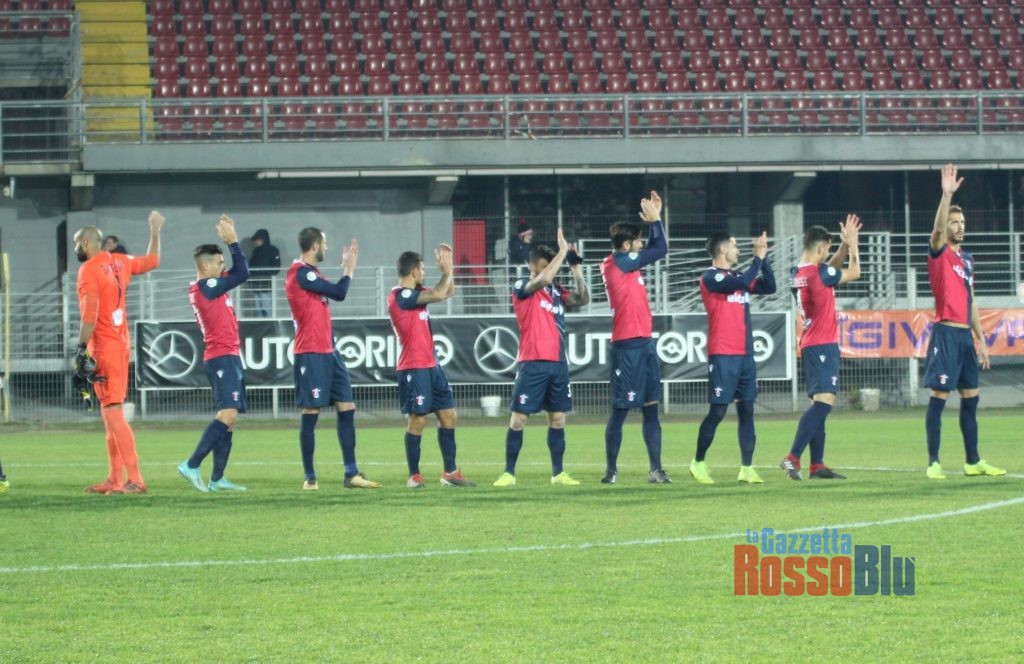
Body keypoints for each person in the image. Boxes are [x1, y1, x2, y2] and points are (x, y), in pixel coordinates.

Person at [923, 164, 1005, 479]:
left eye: (962, 222)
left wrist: (981, 339)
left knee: (971, 398)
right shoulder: (939, 252)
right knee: (940, 397)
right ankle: (933, 462)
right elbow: (935, 232)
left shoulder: (967, 260)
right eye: (955, 222)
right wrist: (946, 197)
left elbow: (970, 301)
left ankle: (973, 461)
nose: (960, 226)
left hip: (964, 339)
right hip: (945, 334)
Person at [74, 212, 164, 494]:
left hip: (103, 347)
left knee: (113, 414)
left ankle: (135, 479)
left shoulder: (88, 269)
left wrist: (80, 348)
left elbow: (90, 314)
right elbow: (152, 261)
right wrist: (155, 231)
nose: (76, 248)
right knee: (109, 416)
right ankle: (114, 479)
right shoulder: (120, 261)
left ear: (86, 243)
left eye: (77, 243)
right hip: (120, 344)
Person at [494, 228, 590, 487]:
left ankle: (558, 473)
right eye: (546, 266)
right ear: (533, 266)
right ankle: (508, 473)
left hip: (558, 364)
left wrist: (576, 269)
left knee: (558, 419)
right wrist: (562, 251)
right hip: (532, 362)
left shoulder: (557, 292)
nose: (551, 271)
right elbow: (544, 278)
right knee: (519, 419)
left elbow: (583, 298)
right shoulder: (522, 287)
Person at [285, 227, 379, 491]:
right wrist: (348, 271)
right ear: (315, 246)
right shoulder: (300, 273)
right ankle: (310, 477)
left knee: (347, 408)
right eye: (324, 243)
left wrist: (344, 273)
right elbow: (340, 292)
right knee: (311, 411)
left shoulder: (313, 274)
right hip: (310, 353)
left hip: (330, 351)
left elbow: (334, 291)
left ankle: (351, 473)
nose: (326, 247)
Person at [690, 231, 776, 485]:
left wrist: (764, 259)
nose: (739, 250)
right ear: (723, 250)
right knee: (718, 410)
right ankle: (698, 462)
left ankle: (747, 468)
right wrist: (757, 258)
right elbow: (745, 281)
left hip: (745, 354)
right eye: (735, 246)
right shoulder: (711, 277)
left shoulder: (738, 277)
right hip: (723, 354)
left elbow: (770, 287)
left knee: (747, 410)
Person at [780, 215, 861, 481]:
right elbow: (853, 272)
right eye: (827, 250)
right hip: (823, 344)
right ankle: (793, 456)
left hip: (810, 343)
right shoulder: (820, 274)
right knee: (824, 405)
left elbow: (829, 270)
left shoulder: (797, 272)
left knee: (818, 404)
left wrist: (842, 247)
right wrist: (853, 246)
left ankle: (817, 465)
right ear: (820, 248)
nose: (828, 255)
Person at [387, 244, 476, 489]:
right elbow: (438, 293)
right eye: (423, 269)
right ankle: (414, 475)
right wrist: (445, 273)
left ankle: (450, 473)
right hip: (413, 367)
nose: (425, 273)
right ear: (414, 271)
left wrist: (450, 269)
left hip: (432, 366)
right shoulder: (400, 296)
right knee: (418, 419)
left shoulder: (416, 294)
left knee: (448, 416)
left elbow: (447, 292)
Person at [598, 191, 671, 485]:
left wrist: (655, 220)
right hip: (627, 346)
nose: (641, 245)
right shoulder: (617, 262)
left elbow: (654, 247)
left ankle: (656, 469)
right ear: (627, 245)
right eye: (637, 241)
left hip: (645, 343)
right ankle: (611, 471)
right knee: (621, 409)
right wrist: (656, 221)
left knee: (651, 408)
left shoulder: (628, 263)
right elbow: (661, 248)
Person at [178, 215, 250, 493]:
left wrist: (232, 241)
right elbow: (243, 274)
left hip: (229, 355)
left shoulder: (214, 286)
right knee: (227, 414)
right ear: (205, 266)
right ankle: (191, 464)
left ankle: (217, 478)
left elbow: (241, 271)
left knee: (230, 420)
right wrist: (233, 243)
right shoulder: (205, 288)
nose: (224, 267)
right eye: (220, 263)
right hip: (221, 357)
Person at [248, 228, 281, 317]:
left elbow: (276, 267)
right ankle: (261, 325)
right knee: (258, 310)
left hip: (266, 285)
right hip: (257, 285)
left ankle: (268, 325)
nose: (255, 242)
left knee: (266, 309)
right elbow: (251, 266)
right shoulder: (256, 251)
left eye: (257, 239)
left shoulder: (272, 250)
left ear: (262, 239)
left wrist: (264, 275)